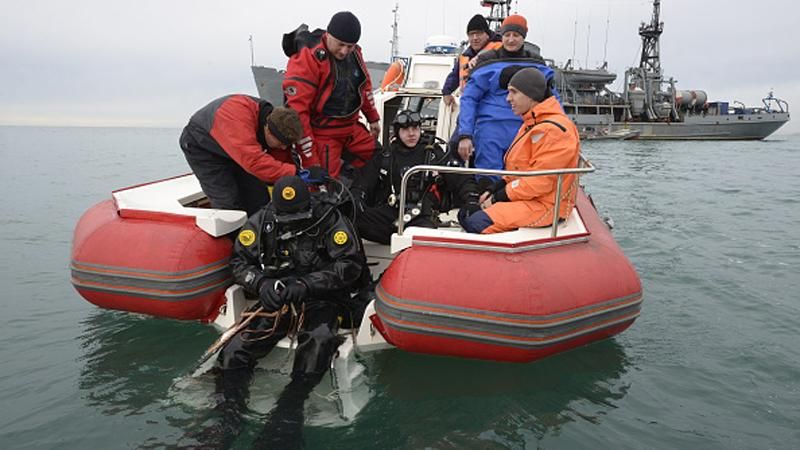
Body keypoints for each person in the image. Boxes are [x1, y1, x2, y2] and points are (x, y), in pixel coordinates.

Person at [208, 175, 367, 448]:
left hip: (320, 297)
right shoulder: (262, 221)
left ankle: (289, 410)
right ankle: (227, 417)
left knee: (319, 341)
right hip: (277, 296)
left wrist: (307, 284)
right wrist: (260, 284)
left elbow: (350, 265)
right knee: (235, 348)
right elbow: (239, 262)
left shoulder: (330, 219)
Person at [459, 68, 580, 234]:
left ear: (531, 94)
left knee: (476, 222)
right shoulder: (531, 124)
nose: (508, 98)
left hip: (547, 206)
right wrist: (494, 189)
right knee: (465, 213)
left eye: (513, 92)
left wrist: (498, 197)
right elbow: (518, 171)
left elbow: (540, 182)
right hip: (529, 199)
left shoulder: (554, 130)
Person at [179, 94, 327, 215]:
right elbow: (254, 162)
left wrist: (303, 176)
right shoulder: (237, 118)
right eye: (282, 143)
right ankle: (234, 240)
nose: (283, 147)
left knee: (258, 197)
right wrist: (296, 173)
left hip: (238, 148)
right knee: (228, 203)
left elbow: (281, 158)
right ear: (268, 130)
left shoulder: (275, 122)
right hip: (203, 147)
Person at [350, 110, 479, 244]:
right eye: (406, 129)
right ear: (397, 132)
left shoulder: (433, 154)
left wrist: (471, 201)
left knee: (422, 238)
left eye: (415, 128)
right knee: (352, 218)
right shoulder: (386, 156)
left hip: (422, 216)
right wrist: (356, 200)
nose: (411, 134)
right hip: (391, 214)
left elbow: (461, 178)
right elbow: (363, 183)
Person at [282, 11, 381, 180]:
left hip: (350, 127)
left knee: (378, 157)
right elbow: (297, 112)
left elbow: (364, 87)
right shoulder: (309, 58)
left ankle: (361, 193)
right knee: (325, 181)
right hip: (323, 133)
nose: (344, 51)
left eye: (349, 46)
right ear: (328, 35)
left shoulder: (355, 54)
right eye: (340, 44)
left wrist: (373, 118)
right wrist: (310, 159)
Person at [457, 14, 555, 183]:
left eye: (516, 35)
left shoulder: (537, 63)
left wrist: (563, 133)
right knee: (488, 180)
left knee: (522, 180)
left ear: (523, 37)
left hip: (526, 131)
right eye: (507, 35)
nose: (510, 39)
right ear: (501, 36)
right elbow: (469, 98)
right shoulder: (486, 61)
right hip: (490, 131)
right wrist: (465, 134)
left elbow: (552, 101)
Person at [441, 14, 501, 107]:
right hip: (469, 105)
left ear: (487, 34)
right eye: (471, 34)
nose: (475, 38)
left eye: (479, 33)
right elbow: (454, 76)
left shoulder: (500, 51)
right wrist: (446, 92)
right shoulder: (465, 56)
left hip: (492, 105)